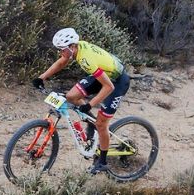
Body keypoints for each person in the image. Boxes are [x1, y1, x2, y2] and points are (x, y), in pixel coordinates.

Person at [33, 27, 130, 175]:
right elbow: (62, 62)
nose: (60, 53)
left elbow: (109, 87)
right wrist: (41, 77)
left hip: (117, 82)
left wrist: (90, 104)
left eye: (62, 49)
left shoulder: (86, 59)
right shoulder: (76, 49)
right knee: (72, 96)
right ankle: (91, 122)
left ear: (72, 46)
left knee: (102, 123)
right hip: (103, 75)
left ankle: (102, 162)